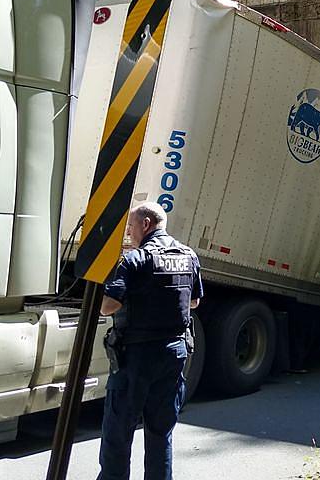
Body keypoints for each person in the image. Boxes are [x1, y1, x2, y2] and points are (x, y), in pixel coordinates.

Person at [97, 201, 203, 480]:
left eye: (131, 227)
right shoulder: (189, 255)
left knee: (118, 432)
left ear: (145, 225)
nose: (129, 235)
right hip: (174, 354)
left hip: (136, 357)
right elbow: (193, 301)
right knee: (160, 433)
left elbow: (108, 306)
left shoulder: (137, 259)